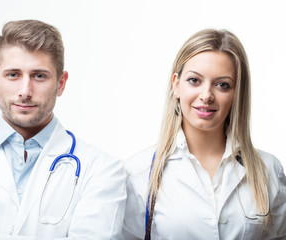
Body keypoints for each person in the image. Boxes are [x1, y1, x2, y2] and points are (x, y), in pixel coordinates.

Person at [0, 20, 126, 240]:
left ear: (61, 83)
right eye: (13, 74)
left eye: (39, 76)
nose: (25, 91)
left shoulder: (102, 170)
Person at [122, 29, 286, 239]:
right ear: (176, 85)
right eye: (194, 80)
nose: (207, 95)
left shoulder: (268, 170)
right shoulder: (139, 173)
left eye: (222, 85)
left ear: (236, 93)